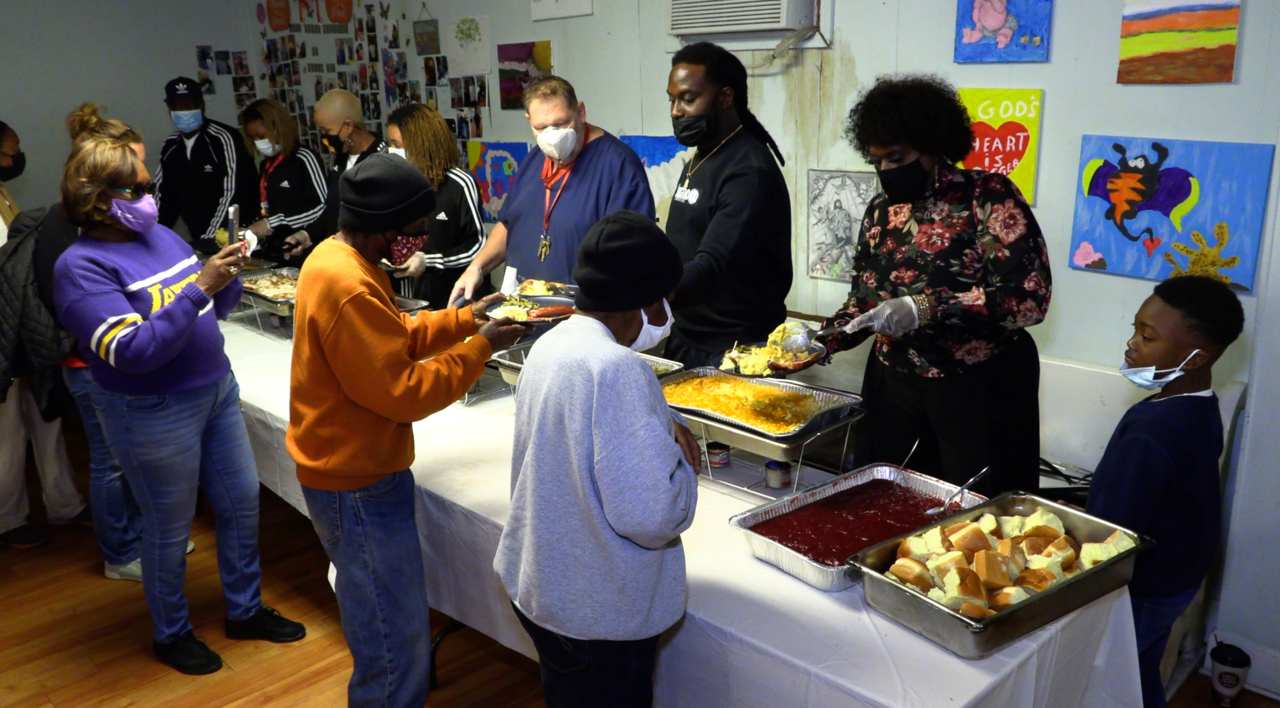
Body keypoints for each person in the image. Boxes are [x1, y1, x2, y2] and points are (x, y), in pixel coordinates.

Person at [53, 134, 304, 675]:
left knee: (241, 504)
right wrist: (200, 285)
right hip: (151, 407)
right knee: (169, 527)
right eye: (139, 189)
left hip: (214, 390)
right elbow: (132, 351)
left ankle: (245, 610)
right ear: (100, 199)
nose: (152, 197)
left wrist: (227, 273)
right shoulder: (80, 267)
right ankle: (171, 633)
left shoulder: (163, 238)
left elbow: (217, 307)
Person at [287, 153, 529, 706]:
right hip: (357, 483)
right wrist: (482, 348)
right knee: (393, 643)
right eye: (412, 231)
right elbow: (404, 393)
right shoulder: (346, 285)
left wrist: (468, 319)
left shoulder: (336, 256)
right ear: (383, 227)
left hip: (350, 473)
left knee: (387, 625)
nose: (417, 242)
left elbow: (393, 332)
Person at [495, 210, 700, 708]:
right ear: (648, 301)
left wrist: (653, 424)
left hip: (545, 587)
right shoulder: (618, 369)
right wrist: (682, 464)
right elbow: (651, 516)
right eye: (663, 302)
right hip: (596, 612)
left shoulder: (550, 343)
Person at [819, 75, 1052, 497]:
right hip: (896, 386)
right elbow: (864, 299)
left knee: (973, 516)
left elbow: (1028, 301)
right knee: (888, 502)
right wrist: (824, 340)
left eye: (897, 157)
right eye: (877, 161)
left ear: (933, 144)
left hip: (976, 387)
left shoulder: (987, 197)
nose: (887, 171)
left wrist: (927, 307)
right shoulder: (880, 211)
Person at [1086, 276, 1244, 708]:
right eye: (1136, 328)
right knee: (1140, 669)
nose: (1131, 344)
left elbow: (1114, 530)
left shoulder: (1152, 429)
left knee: (1105, 677)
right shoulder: (1202, 406)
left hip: (1145, 588)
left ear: (1195, 357)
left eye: (1147, 336)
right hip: (1179, 576)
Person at [448, 76, 655, 302]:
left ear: (581, 112)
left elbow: (631, 255)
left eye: (560, 124)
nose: (552, 135)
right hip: (520, 311)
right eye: (541, 127)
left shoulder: (618, 166)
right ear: (529, 121)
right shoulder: (533, 160)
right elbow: (509, 224)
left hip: (582, 315)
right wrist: (476, 268)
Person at [663, 42, 793, 368]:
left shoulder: (749, 170)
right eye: (672, 99)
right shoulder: (704, 152)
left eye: (688, 99)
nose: (676, 111)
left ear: (724, 98)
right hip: (689, 337)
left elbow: (713, 266)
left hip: (734, 350)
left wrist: (646, 289)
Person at [0, 119, 89, 550]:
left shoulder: (3, 194)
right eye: (11, 151)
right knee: (8, 429)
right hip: (5, 333)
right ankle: (8, 519)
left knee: (47, 417)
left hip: (26, 330)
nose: (17, 158)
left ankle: (64, 504)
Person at [386, 103, 493, 306]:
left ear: (421, 144)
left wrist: (428, 261)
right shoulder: (394, 183)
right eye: (390, 144)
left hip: (451, 301)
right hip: (409, 302)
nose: (392, 152)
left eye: (398, 145)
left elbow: (477, 246)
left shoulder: (460, 184)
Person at [154, 77, 259, 254]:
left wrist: (208, 240)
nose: (183, 111)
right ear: (169, 109)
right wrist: (152, 237)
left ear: (201, 105)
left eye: (189, 105)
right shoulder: (171, 145)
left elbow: (233, 192)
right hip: (198, 238)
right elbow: (163, 197)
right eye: (177, 106)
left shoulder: (223, 138)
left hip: (232, 236)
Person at [292, 89, 388, 259]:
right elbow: (333, 208)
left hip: (367, 264)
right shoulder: (338, 158)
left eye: (327, 131)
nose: (324, 137)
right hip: (337, 259)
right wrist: (307, 235)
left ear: (349, 126)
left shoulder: (384, 159)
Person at [238, 99, 328, 264]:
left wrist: (271, 223)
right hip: (274, 252)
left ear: (277, 127)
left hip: (304, 251)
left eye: (261, 136)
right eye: (254, 138)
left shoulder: (304, 158)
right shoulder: (265, 165)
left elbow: (322, 208)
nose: (259, 142)